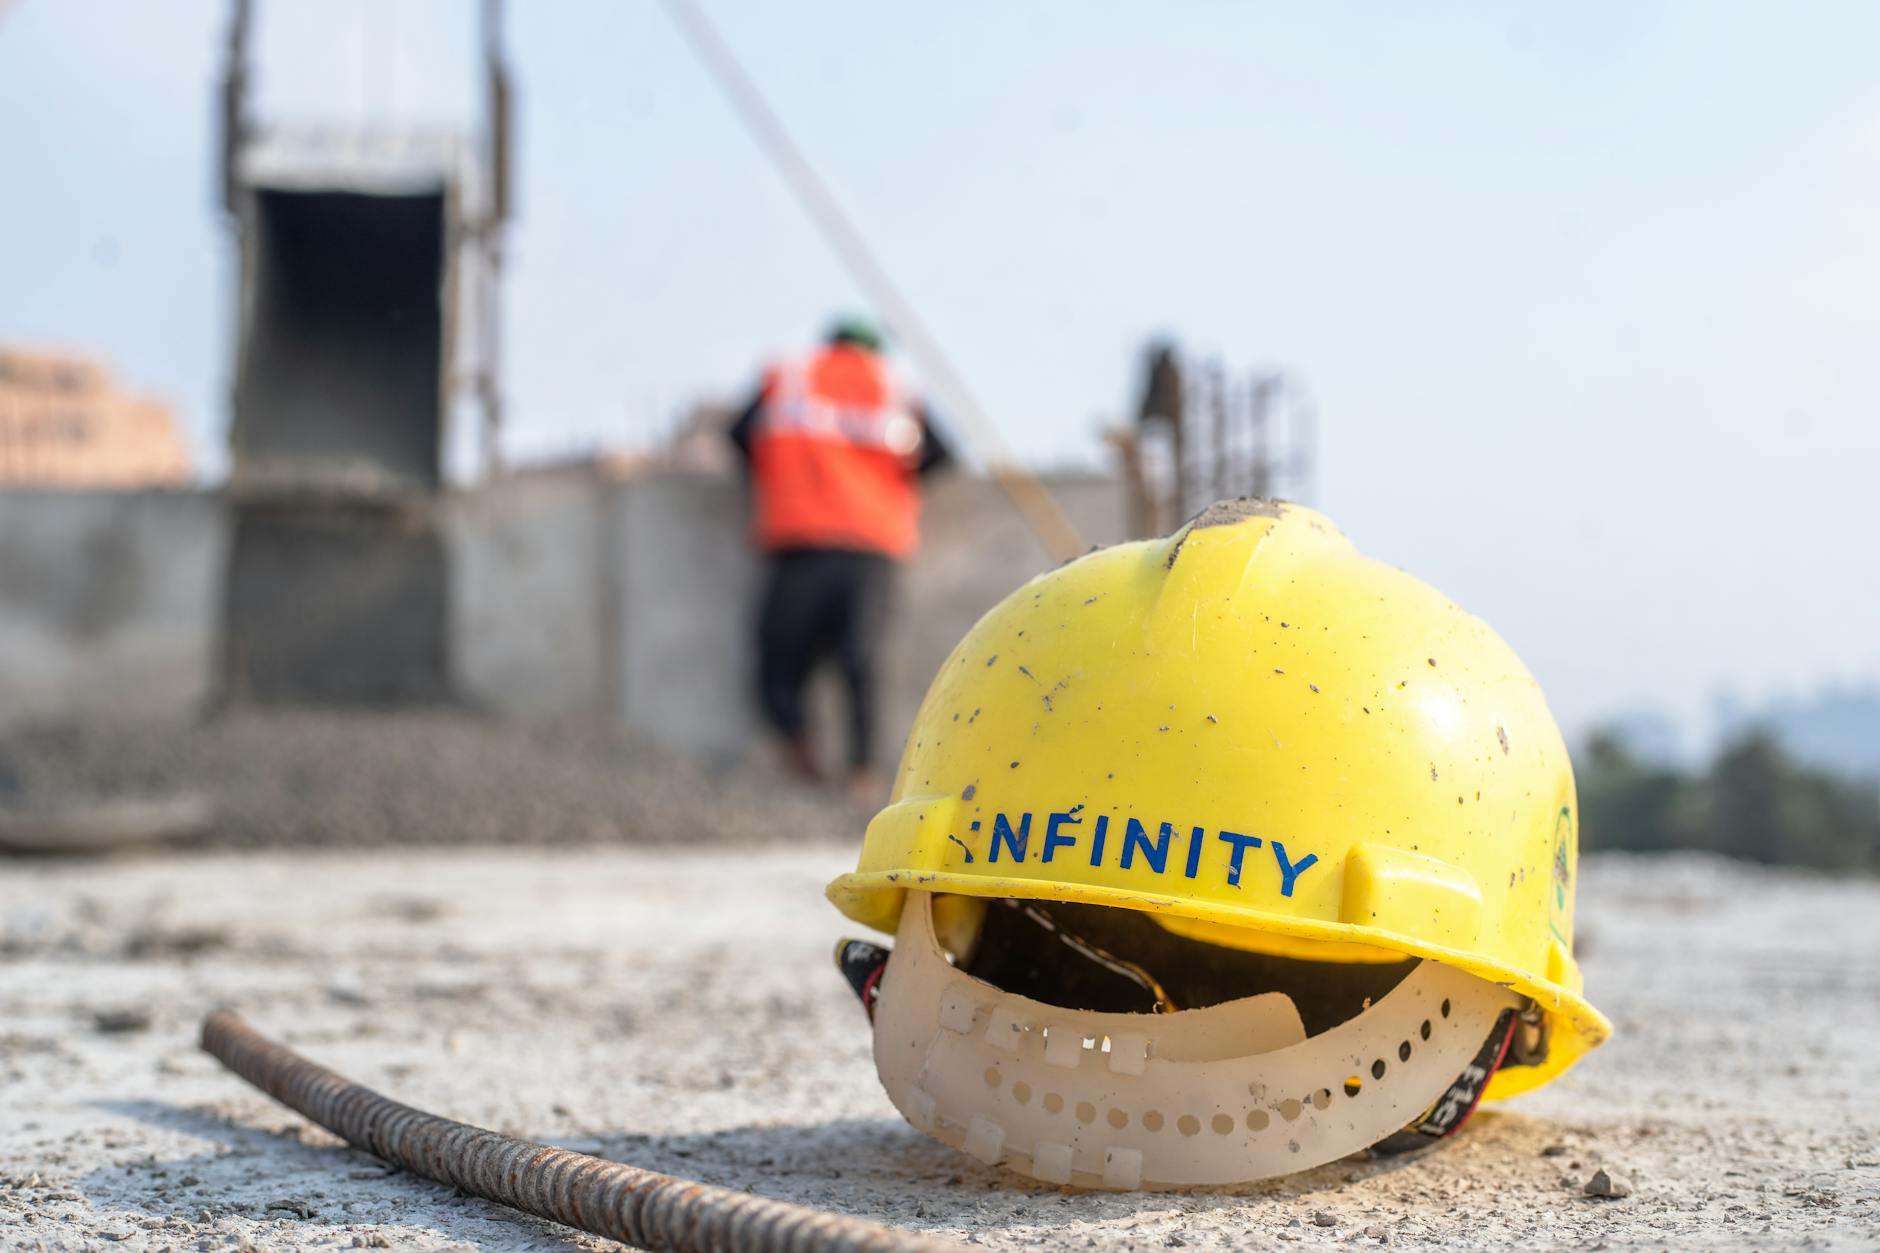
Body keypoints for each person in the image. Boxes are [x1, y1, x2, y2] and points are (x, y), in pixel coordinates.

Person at [728, 317, 951, 801]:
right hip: (873, 543)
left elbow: (739, 434)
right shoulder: (895, 385)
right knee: (862, 660)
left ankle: (799, 748)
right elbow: (940, 454)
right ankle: (864, 775)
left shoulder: (789, 376)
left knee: (779, 660)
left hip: (801, 537)